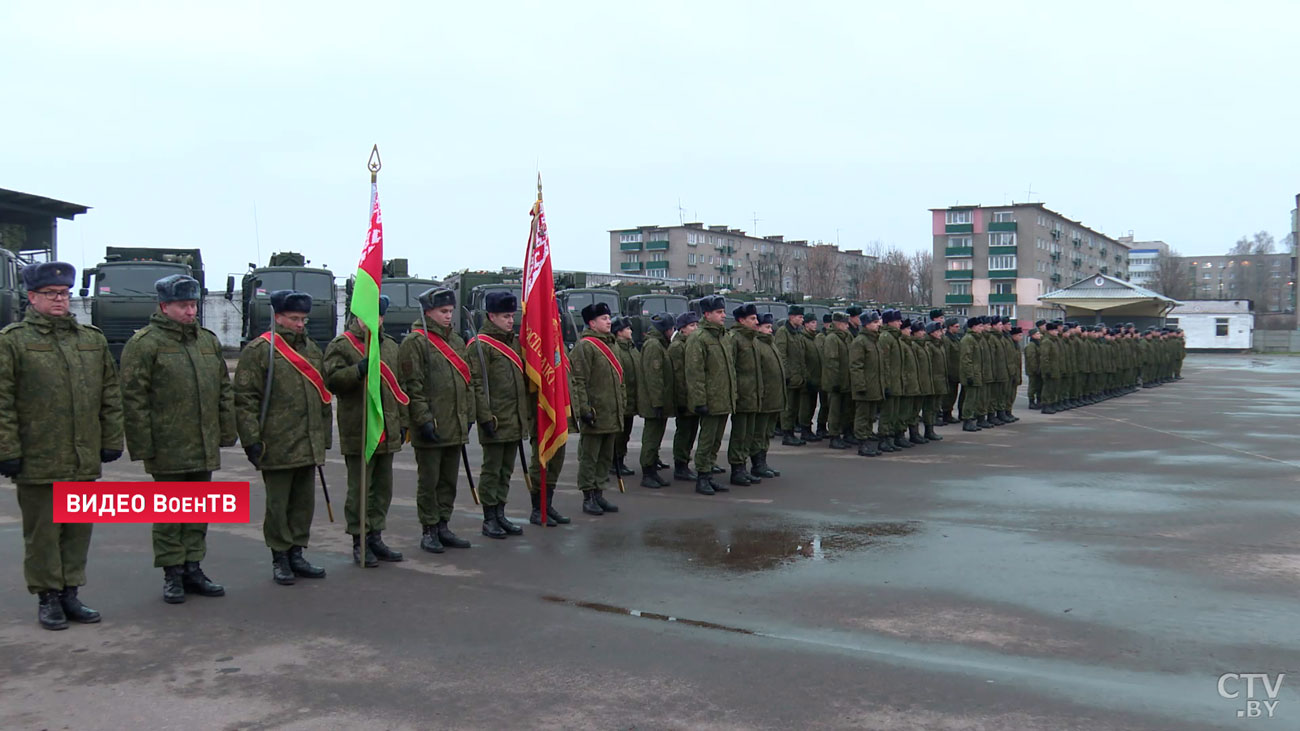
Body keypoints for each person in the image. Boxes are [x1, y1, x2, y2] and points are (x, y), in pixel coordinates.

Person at [0, 262, 122, 630]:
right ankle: (47, 596)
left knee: (77, 528)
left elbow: (109, 393)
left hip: (82, 455)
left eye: (64, 294)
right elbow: (2, 400)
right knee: (43, 532)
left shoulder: (91, 339)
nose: (59, 300)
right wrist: (7, 449)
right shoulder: (13, 340)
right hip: (38, 456)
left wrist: (111, 438)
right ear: (32, 297)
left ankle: (71, 592)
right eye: (51, 294)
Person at [120, 273, 235, 603]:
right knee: (171, 514)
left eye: (193, 305)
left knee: (198, 511)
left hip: (202, 443)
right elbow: (134, 399)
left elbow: (223, 391)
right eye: (183, 305)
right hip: (168, 446)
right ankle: (172, 573)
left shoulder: (207, 342)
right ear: (164, 306)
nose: (190, 312)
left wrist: (226, 431)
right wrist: (143, 446)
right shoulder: (145, 344)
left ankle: (193, 567)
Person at [235, 290, 332, 585]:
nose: (300, 324)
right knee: (278, 504)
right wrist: (251, 439)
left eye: (303, 319)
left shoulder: (313, 350)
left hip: (307, 440)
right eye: (293, 318)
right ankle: (280, 555)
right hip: (275, 441)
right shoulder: (260, 350)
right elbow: (244, 398)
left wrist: (323, 438)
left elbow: (323, 398)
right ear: (277, 317)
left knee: (303, 503)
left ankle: (297, 552)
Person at [324, 294, 408, 567]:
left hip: (386, 428)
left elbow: (400, 386)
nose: (376, 321)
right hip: (359, 428)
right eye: (371, 316)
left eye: (380, 316)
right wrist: (357, 370)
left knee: (382, 489)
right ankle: (359, 540)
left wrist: (403, 421)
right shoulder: (342, 346)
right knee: (360, 489)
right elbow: (332, 380)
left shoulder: (391, 346)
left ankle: (376, 536)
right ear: (357, 315)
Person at [400, 287, 476, 551]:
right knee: (429, 481)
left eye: (450, 311)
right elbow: (413, 386)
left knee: (448, 481)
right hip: (431, 425)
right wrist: (423, 420)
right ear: (427, 311)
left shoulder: (455, 341)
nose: (448, 316)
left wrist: (468, 415)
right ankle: (429, 528)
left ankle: (444, 524)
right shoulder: (415, 342)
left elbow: (467, 383)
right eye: (443, 311)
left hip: (454, 423)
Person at [468, 291, 530, 537]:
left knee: (506, 470)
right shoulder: (480, 345)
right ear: (491, 316)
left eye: (512, 315)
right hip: (494, 419)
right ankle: (489, 517)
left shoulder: (512, 342)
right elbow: (476, 383)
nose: (510, 320)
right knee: (492, 470)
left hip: (513, 418)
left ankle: (501, 513)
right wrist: (484, 417)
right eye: (505, 316)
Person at [571, 302, 625, 514]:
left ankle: (599, 492)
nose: (609, 321)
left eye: (609, 317)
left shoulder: (613, 345)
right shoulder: (585, 347)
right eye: (603, 318)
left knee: (605, 456)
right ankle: (588, 496)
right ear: (592, 323)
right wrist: (583, 409)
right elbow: (578, 380)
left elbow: (620, 380)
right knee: (589, 457)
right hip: (594, 412)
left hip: (611, 412)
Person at [685, 295, 734, 495]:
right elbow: (694, 372)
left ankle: (709, 473)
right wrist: (699, 401)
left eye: (723, 312)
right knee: (706, 440)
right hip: (710, 400)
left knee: (716, 440)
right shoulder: (699, 338)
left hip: (723, 398)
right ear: (707, 314)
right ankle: (702, 476)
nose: (723, 315)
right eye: (719, 312)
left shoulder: (722, 336)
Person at [725, 304, 763, 485]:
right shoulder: (734, 338)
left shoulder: (752, 339)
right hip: (741, 395)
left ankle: (744, 466)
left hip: (753, 394)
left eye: (756, 319)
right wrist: (734, 393)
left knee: (748, 433)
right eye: (752, 319)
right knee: (739, 433)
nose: (756, 322)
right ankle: (737, 469)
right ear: (741, 320)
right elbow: (730, 368)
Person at [637, 313, 675, 488]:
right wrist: (658, 402)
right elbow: (654, 378)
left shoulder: (659, 344)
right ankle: (647, 472)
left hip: (657, 402)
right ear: (665, 329)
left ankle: (652, 470)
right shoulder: (654, 346)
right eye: (671, 328)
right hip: (653, 403)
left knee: (656, 437)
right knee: (651, 438)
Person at [667, 311, 700, 482]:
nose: (696, 328)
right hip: (684, 398)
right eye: (692, 326)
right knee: (684, 432)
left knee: (691, 431)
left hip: (693, 397)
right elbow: (679, 377)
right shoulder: (678, 347)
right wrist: (681, 401)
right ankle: (680, 465)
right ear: (682, 329)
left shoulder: (691, 344)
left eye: (696, 325)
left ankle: (685, 462)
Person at [848, 310, 884, 457]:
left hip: (874, 386)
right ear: (867, 324)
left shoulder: (874, 341)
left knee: (870, 416)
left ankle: (868, 441)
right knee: (862, 416)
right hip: (865, 387)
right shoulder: (860, 342)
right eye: (875, 322)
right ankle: (862, 444)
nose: (878, 325)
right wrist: (860, 386)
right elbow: (856, 366)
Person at [753, 313, 784, 478]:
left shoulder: (770, 344)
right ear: (758, 327)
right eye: (767, 327)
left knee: (766, 433)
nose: (770, 330)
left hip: (773, 397)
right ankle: (757, 463)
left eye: (771, 327)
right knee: (759, 432)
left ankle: (762, 461)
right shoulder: (757, 345)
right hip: (764, 398)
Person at [774, 305, 807, 446]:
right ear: (791, 317)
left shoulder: (798, 333)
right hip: (790, 377)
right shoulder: (783, 332)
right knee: (788, 407)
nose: (802, 319)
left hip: (798, 377)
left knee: (795, 407)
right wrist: (786, 374)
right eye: (800, 317)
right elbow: (782, 355)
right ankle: (787, 433)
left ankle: (791, 431)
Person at [611, 316, 639, 478]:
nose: (631, 331)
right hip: (622, 398)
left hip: (632, 398)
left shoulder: (632, 349)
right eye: (628, 328)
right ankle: (614, 462)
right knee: (619, 434)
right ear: (619, 332)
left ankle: (620, 460)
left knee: (626, 433)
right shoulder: (617, 350)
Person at [822, 312, 854, 450]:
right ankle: (834, 436)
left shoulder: (846, 337)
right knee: (834, 410)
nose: (847, 325)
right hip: (836, 382)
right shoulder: (832, 339)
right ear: (837, 323)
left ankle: (847, 433)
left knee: (846, 410)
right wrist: (834, 382)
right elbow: (831, 362)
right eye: (844, 323)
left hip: (846, 381)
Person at [876, 310, 904, 451]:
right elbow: (885, 363)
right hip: (890, 382)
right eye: (897, 320)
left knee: (894, 412)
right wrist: (886, 384)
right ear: (889, 322)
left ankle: (890, 438)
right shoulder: (886, 337)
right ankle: (884, 438)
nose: (900, 323)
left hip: (896, 381)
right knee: (887, 413)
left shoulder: (895, 337)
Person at [799, 314, 823, 442]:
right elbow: (802, 360)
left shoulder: (815, 339)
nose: (815, 324)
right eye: (812, 322)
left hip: (816, 378)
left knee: (812, 405)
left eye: (815, 322)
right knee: (805, 406)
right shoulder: (803, 339)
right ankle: (804, 429)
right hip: (808, 379)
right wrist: (806, 378)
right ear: (806, 324)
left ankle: (808, 428)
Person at [959, 316, 986, 431]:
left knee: (974, 398)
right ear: (973, 327)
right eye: (980, 326)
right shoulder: (968, 339)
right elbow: (966, 359)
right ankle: (967, 420)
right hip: (971, 375)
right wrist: (969, 375)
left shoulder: (976, 339)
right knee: (969, 399)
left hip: (976, 374)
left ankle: (970, 419)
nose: (982, 328)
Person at [922, 322, 948, 442]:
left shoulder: (939, 345)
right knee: (929, 407)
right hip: (932, 380)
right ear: (931, 332)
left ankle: (932, 428)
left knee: (935, 406)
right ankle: (928, 430)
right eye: (938, 331)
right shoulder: (929, 345)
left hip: (940, 380)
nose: (940, 333)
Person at [940, 317, 962, 424]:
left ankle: (949, 413)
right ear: (950, 327)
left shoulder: (955, 338)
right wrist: (947, 371)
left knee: (953, 395)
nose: (958, 328)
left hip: (956, 372)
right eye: (956, 326)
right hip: (950, 372)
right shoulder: (947, 340)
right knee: (948, 396)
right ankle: (946, 414)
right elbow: (946, 356)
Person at [1024, 324, 1043, 409]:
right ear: (1033, 335)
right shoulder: (1031, 345)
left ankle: (1039, 401)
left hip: (1038, 369)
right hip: (1033, 370)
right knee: (1032, 386)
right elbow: (1031, 359)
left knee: (1039, 386)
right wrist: (1035, 369)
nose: (1040, 335)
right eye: (1038, 334)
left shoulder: (1038, 344)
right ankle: (1031, 402)